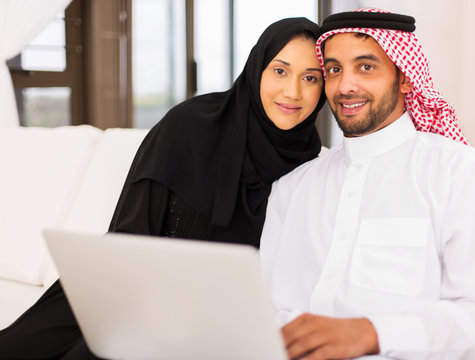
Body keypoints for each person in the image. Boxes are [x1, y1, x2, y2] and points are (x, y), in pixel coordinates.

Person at [0, 17, 326, 359]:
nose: (293, 92)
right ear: (257, 68)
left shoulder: (312, 169)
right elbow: (129, 233)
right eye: (280, 71)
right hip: (128, 287)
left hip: (207, 322)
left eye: (310, 78)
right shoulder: (190, 125)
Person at [260, 8, 475, 360]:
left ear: (406, 77)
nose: (346, 85)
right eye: (334, 70)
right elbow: (264, 311)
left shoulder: (460, 174)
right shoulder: (292, 188)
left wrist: (371, 333)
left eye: (366, 67)